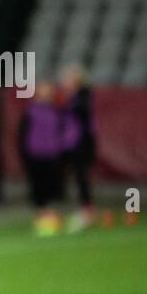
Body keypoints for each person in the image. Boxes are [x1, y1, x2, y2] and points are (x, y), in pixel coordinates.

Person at [18, 77, 75, 236]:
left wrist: (62, 148)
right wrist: (24, 151)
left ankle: (49, 213)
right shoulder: (30, 111)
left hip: (51, 152)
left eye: (47, 89)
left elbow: (65, 131)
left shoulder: (57, 111)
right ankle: (40, 214)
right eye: (42, 89)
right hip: (34, 152)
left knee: (51, 183)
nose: (45, 92)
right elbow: (22, 133)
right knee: (37, 184)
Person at [59, 63, 97, 229]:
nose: (64, 81)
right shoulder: (76, 97)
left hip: (81, 143)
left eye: (68, 78)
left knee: (81, 176)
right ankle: (84, 209)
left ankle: (86, 212)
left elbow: (82, 120)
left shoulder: (82, 97)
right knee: (78, 176)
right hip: (74, 143)